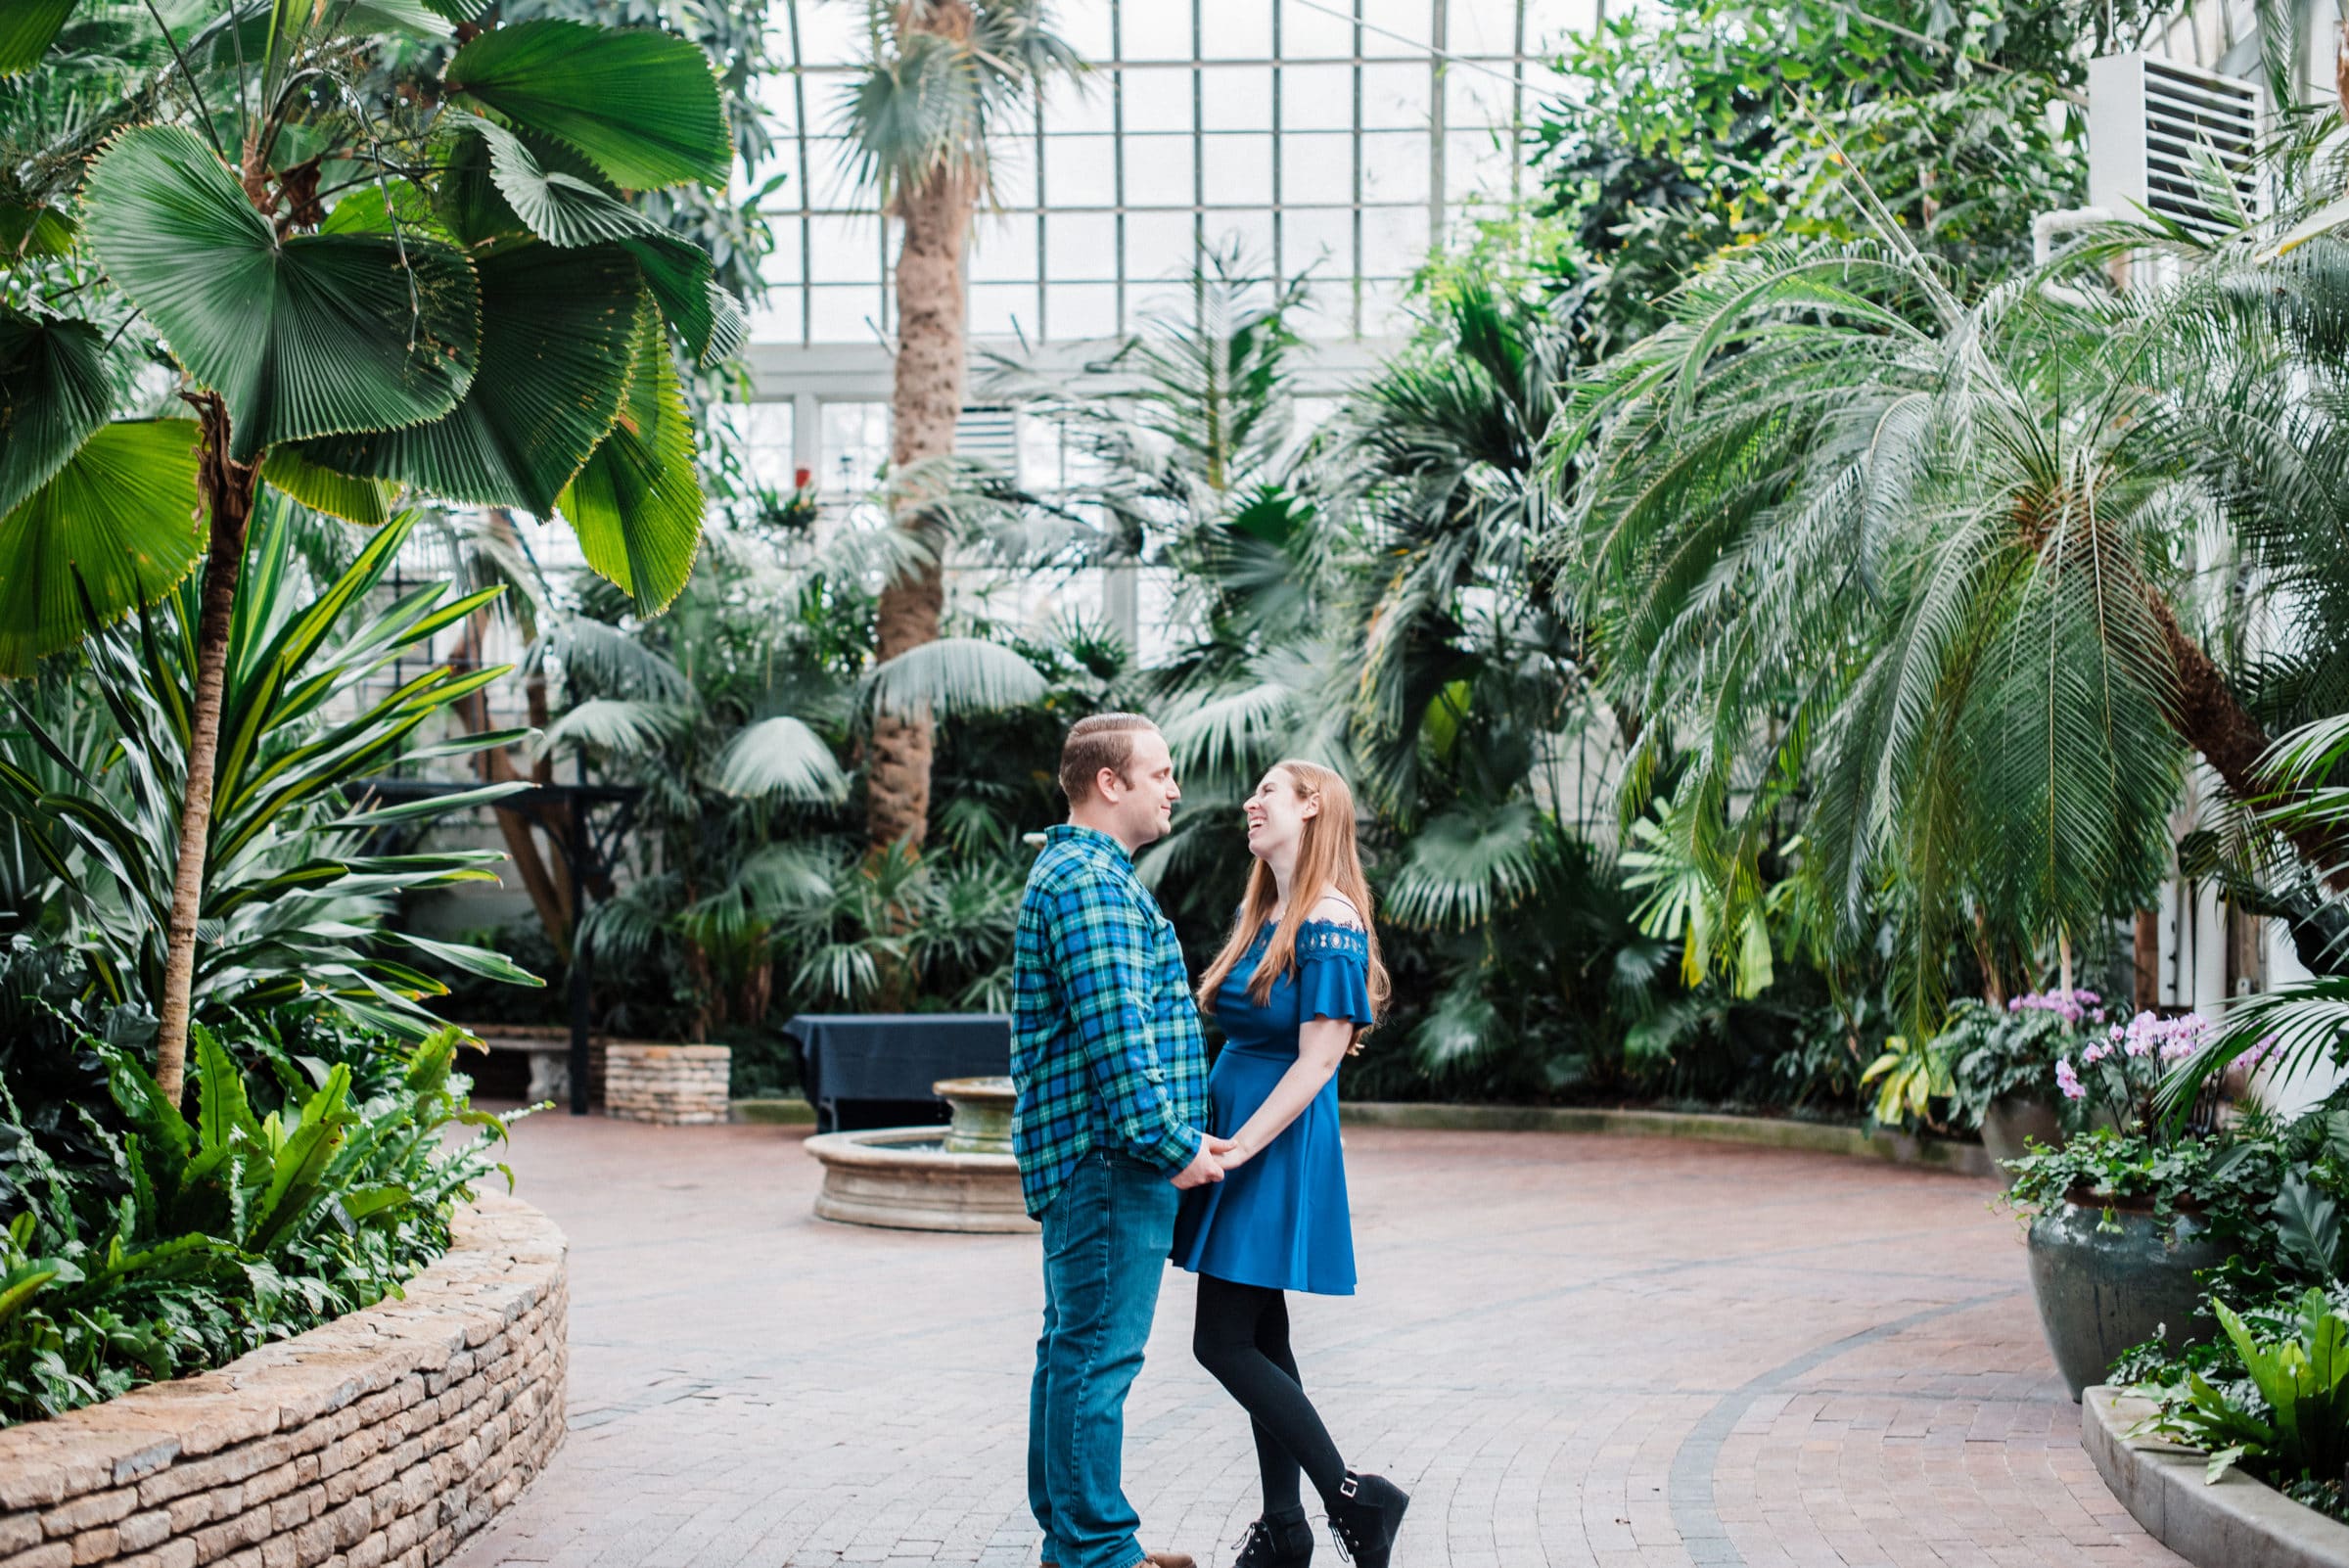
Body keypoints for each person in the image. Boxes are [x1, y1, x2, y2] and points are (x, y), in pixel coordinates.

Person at [1170, 761, 1412, 1568]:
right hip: (1240, 1132)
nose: (1251, 801)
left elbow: (1318, 1062)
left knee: (1221, 1342)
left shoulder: (1330, 919)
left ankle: (1353, 1497)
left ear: (1312, 806)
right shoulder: (1267, 909)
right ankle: (1286, 1527)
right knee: (1261, 1336)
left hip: (1269, 1142)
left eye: (1268, 790)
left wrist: (1239, 1147)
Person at [1014, 713, 1237, 1568]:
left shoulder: (1083, 875)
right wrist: (1175, 1146)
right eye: (1161, 773)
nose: (1174, 788)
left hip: (1104, 1160)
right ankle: (1097, 1552)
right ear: (1110, 782)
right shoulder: (1089, 884)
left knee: (1073, 1350)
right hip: (1112, 1161)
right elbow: (1118, 1035)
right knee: (1099, 1358)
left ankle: (1079, 1540)